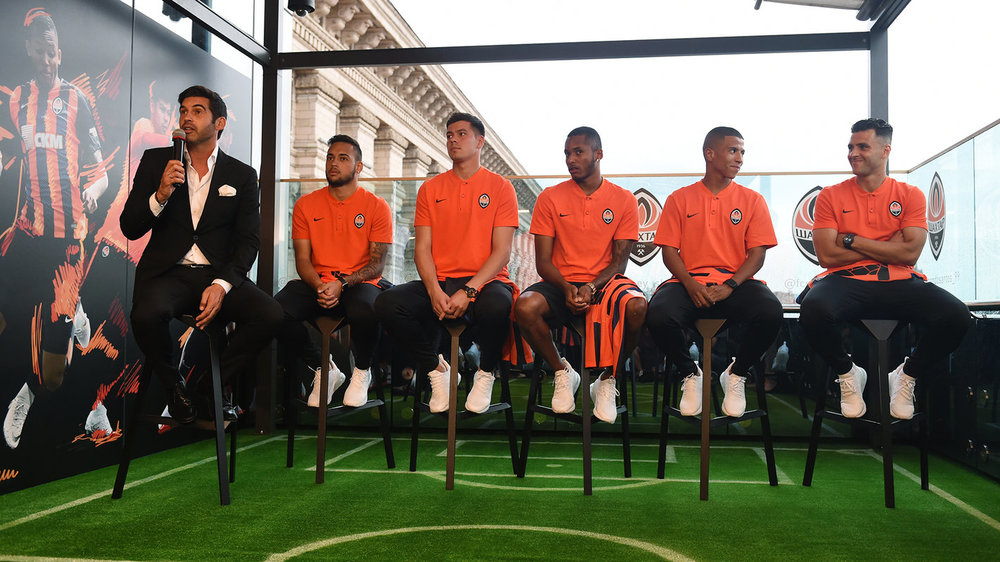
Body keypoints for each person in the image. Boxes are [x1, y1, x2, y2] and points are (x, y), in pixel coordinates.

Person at [119, 84, 282, 422]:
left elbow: (248, 241)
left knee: (270, 315)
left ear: (219, 123)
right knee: (145, 315)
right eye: (183, 111)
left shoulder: (242, 175)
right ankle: (174, 387)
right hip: (169, 275)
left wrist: (222, 285)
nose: (186, 118)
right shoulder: (156, 162)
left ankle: (207, 388)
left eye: (197, 111)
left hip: (216, 275)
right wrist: (160, 194)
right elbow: (130, 227)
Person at [799, 118, 971, 419]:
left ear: (885, 150)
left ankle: (907, 374)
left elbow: (910, 252)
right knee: (812, 310)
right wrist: (886, 246)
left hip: (899, 280)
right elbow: (827, 255)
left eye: (862, 147)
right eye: (850, 147)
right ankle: (847, 372)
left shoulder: (910, 194)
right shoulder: (830, 195)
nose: (853, 153)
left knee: (956, 315)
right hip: (846, 281)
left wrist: (851, 239)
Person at [2, 8, 110, 448]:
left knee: (53, 376)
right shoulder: (16, 100)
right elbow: (11, 151)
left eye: (52, 53)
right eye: (39, 52)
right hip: (28, 232)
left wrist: (94, 191)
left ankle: (28, 392)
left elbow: (101, 173)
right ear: (29, 51)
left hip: (68, 243)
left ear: (59, 54)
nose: (46, 60)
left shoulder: (77, 101)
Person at [375, 112, 519, 414]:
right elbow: (422, 249)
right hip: (441, 282)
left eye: (462, 134)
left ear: (480, 142)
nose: (453, 139)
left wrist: (468, 291)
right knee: (388, 303)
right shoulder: (431, 188)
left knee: (498, 306)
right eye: (450, 134)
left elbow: (502, 252)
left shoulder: (501, 187)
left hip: (486, 283)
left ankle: (485, 373)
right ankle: (436, 370)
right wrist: (433, 291)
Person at [646, 126, 782, 418]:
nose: (740, 158)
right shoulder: (679, 198)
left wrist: (730, 285)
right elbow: (669, 251)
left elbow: (757, 255)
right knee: (657, 314)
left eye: (742, 152)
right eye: (733, 151)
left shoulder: (752, 200)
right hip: (688, 282)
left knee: (771, 311)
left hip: (735, 284)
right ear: (710, 154)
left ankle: (737, 373)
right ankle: (690, 373)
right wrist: (690, 283)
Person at [514, 126, 647, 424]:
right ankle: (563, 371)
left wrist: (590, 286)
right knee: (524, 306)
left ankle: (607, 378)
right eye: (567, 153)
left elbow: (619, 263)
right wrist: (566, 288)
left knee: (638, 307)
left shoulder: (624, 199)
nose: (571, 159)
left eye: (578, 152)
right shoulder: (550, 197)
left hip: (605, 283)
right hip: (559, 283)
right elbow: (543, 262)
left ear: (598, 154)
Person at [274, 134, 392, 408]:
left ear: (358, 167)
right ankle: (323, 367)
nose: (333, 163)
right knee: (275, 311)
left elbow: (377, 265)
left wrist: (343, 284)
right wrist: (319, 285)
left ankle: (362, 370)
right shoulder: (306, 204)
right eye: (330, 157)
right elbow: (302, 260)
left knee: (366, 308)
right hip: (319, 283)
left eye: (342, 158)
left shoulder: (377, 206)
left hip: (358, 283)